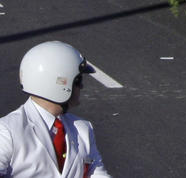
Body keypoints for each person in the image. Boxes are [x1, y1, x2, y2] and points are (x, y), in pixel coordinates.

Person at [0, 41, 110, 177]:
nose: (81, 87)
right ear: (59, 84)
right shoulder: (7, 131)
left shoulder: (83, 129)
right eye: (78, 80)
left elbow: (98, 174)